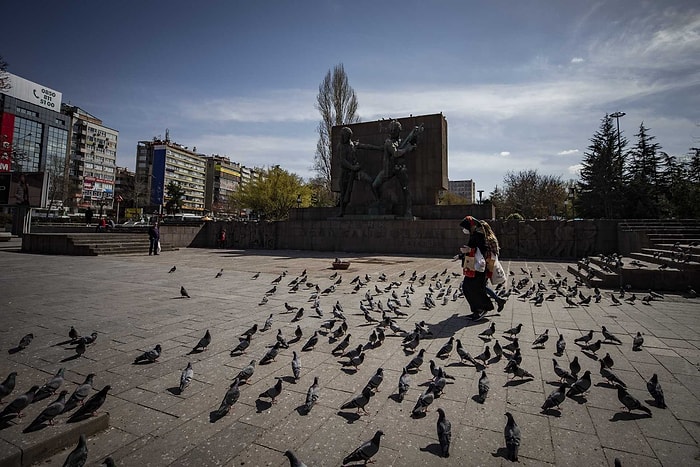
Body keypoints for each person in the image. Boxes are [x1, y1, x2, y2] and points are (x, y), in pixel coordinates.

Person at [371, 120, 417, 218]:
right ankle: (379, 202)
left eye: (394, 130)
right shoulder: (388, 142)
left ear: (398, 131)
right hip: (389, 169)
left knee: (406, 190)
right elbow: (395, 153)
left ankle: (408, 211)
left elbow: (411, 146)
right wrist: (406, 149)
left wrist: (413, 142)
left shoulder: (401, 141)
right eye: (391, 130)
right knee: (374, 185)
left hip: (400, 168)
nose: (392, 132)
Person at [337, 126, 381, 217]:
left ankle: (378, 201)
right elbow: (342, 161)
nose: (341, 137)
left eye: (343, 135)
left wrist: (379, 148)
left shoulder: (353, 145)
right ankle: (342, 211)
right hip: (346, 173)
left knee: (370, 180)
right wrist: (352, 167)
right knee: (344, 193)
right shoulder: (341, 146)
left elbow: (367, 147)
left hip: (356, 171)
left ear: (348, 136)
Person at [458, 215, 494, 320]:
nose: (463, 230)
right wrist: (461, 255)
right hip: (472, 267)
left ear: (470, 227)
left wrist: (469, 250)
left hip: (479, 268)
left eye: (464, 227)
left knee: (477, 288)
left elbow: (483, 251)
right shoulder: (473, 235)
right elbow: (472, 249)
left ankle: (483, 308)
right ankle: (476, 310)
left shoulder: (479, 235)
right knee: (466, 287)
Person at [482, 221, 508, 312]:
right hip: (489, 263)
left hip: (487, 264)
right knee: (482, 285)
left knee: (482, 286)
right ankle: (497, 300)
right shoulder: (492, 237)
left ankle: (498, 300)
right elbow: (497, 252)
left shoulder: (488, 239)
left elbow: (493, 252)